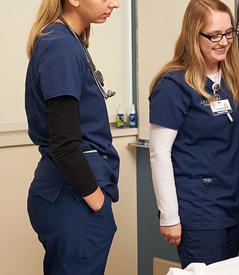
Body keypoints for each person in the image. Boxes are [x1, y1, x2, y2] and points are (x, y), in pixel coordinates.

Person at [148, 0, 239, 268]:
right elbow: (159, 153)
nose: (224, 42)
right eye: (214, 35)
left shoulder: (230, 78)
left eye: (229, 33)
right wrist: (168, 216)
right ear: (193, 35)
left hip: (231, 203)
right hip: (199, 208)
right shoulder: (173, 85)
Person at [25, 0, 121, 274]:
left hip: (70, 195)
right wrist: (98, 205)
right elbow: (65, 145)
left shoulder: (67, 41)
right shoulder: (60, 46)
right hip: (73, 199)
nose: (114, 3)